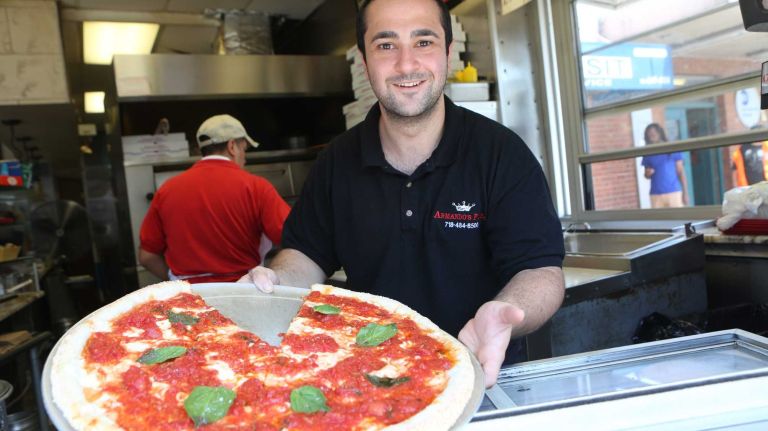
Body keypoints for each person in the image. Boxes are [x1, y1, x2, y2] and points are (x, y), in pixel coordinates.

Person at [240, 0, 565, 387]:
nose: (407, 65)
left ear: (448, 52)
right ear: (364, 60)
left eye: (424, 42)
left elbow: (541, 270)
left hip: (484, 376)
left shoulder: (501, 154)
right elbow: (306, 254)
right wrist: (276, 283)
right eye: (386, 45)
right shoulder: (336, 162)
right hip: (372, 384)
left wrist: (508, 310)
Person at [138, 114, 290, 283]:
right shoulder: (256, 187)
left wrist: (178, 283)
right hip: (243, 293)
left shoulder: (166, 189)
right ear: (232, 146)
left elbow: (147, 257)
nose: (245, 158)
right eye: (244, 149)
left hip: (189, 300)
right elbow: (294, 240)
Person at [640, 123, 689, 208]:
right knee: (659, 220)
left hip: (673, 192)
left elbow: (680, 172)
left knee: (678, 219)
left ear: (660, 133)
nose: (651, 135)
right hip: (655, 194)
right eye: (649, 134)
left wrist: (685, 193)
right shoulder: (647, 152)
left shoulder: (672, 148)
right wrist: (648, 173)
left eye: (653, 132)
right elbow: (646, 175)